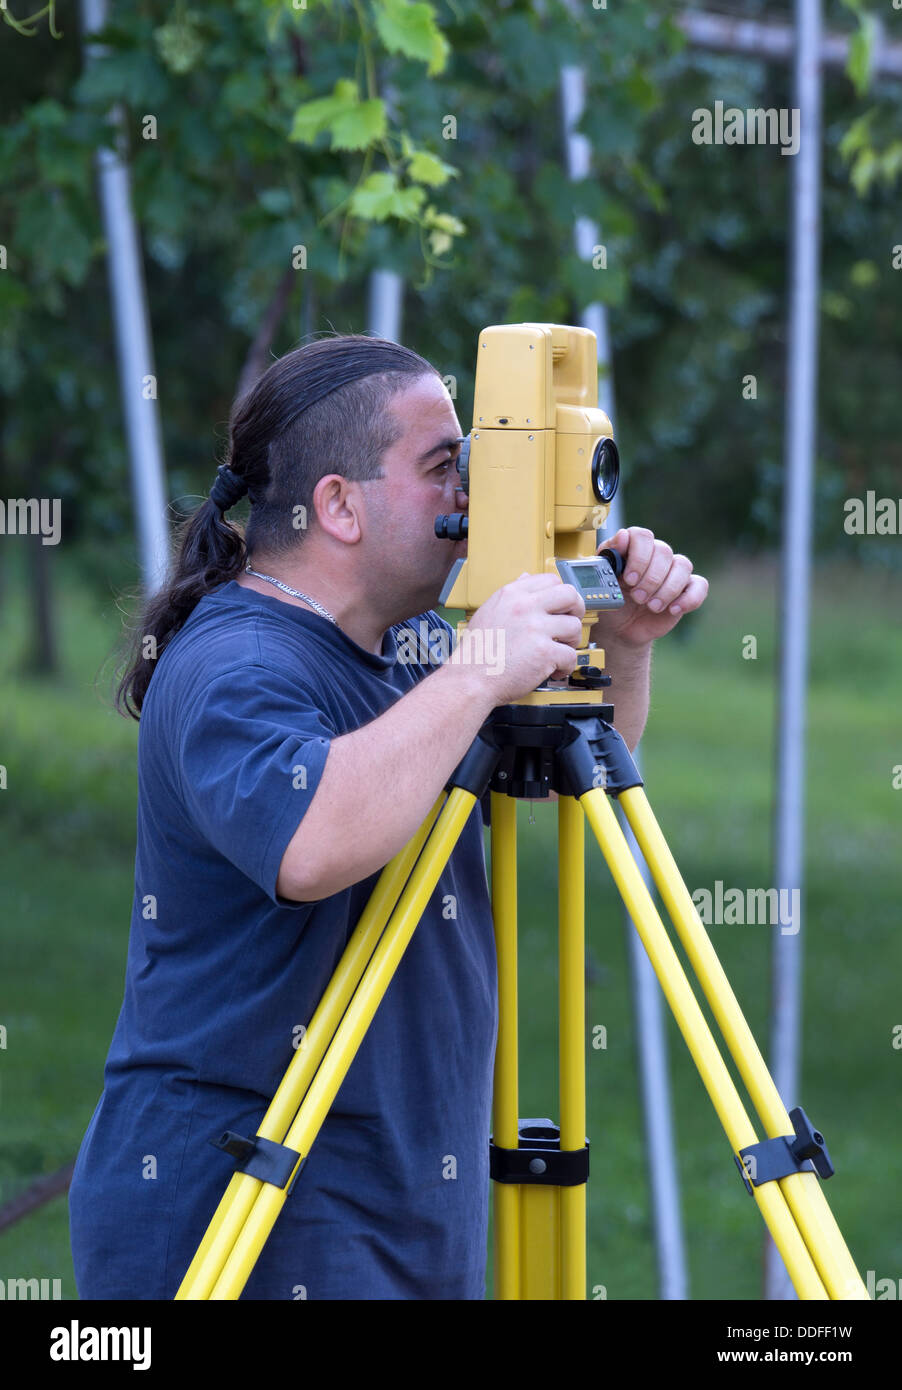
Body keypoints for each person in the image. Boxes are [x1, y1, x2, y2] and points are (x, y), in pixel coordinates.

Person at [68, 333, 708, 1301]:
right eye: (444, 467)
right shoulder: (234, 666)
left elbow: (556, 769)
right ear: (337, 505)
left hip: (396, 1195)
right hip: (243, 1205)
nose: (471, 496)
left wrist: (619, 647)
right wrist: (473, 668)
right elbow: (312, 842)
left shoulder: (409, 649)